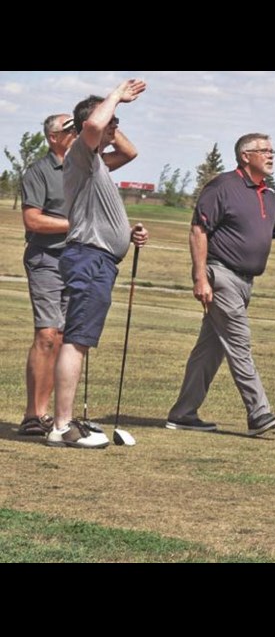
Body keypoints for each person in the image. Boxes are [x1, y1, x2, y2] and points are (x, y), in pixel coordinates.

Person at [165, 133, 275, 436]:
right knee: (239, 343)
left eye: (272, 151)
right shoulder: (222, 187)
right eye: (264, 151)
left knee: (210, 349)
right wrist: (200, 277)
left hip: (245, 283)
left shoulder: (268, 194)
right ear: (245, 156)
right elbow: (198, 231)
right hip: (221, 276)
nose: (271, 156)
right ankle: (259, 414)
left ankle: (182, 414)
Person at [48, 79, 149, 449]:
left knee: (81, 339)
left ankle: (64, 423)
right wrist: (114, 97)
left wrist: (127, 232)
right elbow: (91, 127)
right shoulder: (80, 153)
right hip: (89, 257)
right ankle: (61, 427)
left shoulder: (98, 164)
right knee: (76, 340)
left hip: (99, 257)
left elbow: (130, 151)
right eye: (111, 122)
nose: (114, 128)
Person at [17, 114, 76, 436]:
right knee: (47, 335)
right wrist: (76, 223)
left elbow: (128, 153)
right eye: (69, 130)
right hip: (46, 258)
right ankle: (32, 415)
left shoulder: (85, 166)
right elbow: (33, 221)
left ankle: (53, 415)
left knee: (64, 339)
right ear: (53, 137)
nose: (75, 134)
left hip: (76, 259)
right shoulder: (39, 172)